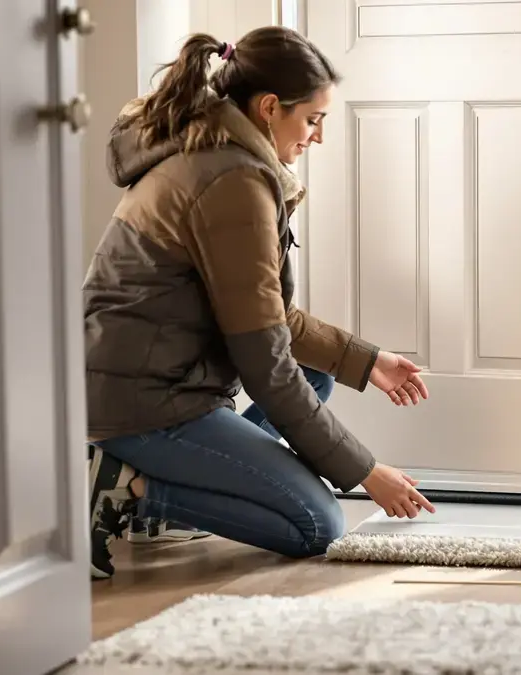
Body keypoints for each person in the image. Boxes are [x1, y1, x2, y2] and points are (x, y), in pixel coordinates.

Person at [83, 26, 436, 581]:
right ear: (270, 108)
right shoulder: (232, 181)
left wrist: (367, 362)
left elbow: (265, 315)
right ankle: (131, 490)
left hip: (151, 376)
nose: (318, 136)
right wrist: (365, 471)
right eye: (313, 119)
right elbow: (265, 365)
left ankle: (171, 494)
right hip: (145, 402)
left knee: (315, 376)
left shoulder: (212, 149)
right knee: (316, 523)